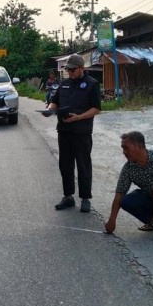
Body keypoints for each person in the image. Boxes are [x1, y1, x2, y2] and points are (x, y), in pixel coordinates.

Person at [45, 54, 101, 213]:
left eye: (72, 69)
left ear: (82, 68)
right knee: (65, 165)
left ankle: (85, 199)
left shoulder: (92, 85)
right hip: (64, 131)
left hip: (82, 132)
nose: (69, 72)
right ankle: (68, 196)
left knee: (83, 165)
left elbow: (96, 108)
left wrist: (79, 118)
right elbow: (54, 102)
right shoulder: (64, 84)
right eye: (68, 69)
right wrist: (49, 110)